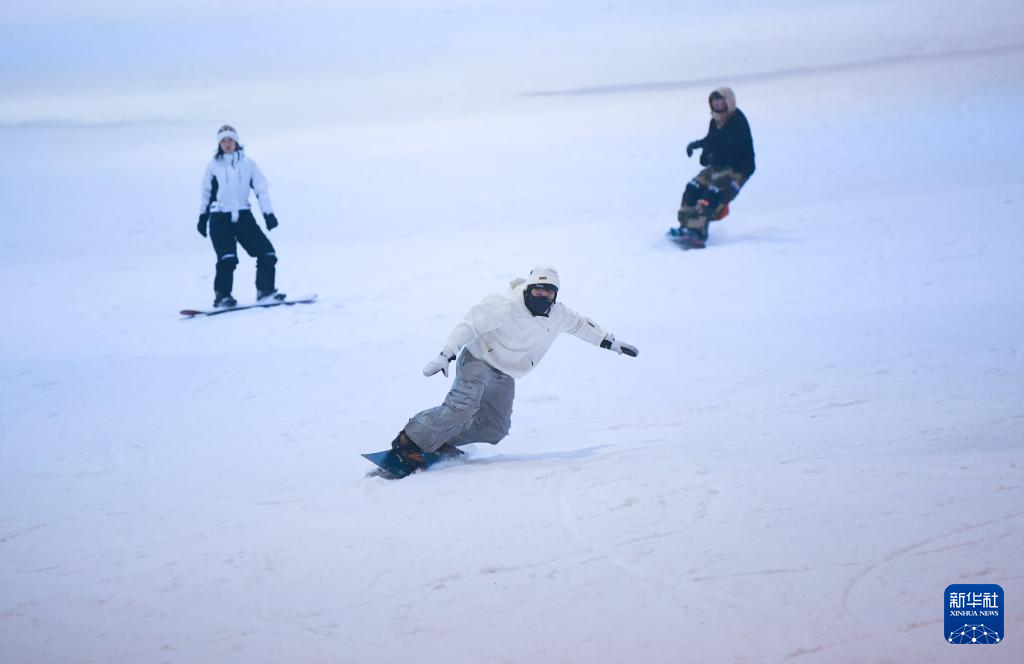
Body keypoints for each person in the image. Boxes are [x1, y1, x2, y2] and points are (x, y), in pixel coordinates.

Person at [389, 266, 639, 471]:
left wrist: (610, 342)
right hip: (479, 360)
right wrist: (447, 354)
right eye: (538, 290)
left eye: (549, 293)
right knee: (462, 408)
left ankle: (441, 440)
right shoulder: (503, 306)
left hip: (506, 373)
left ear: (555, 296)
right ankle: (409, 441)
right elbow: (468, 325)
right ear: (529, 289)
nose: (543, 296)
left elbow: (581, 325)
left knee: (495, 429)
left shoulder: (557, 314)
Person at [196, 125, 285, 308]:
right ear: (219, 144)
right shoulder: (213, 167)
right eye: (223, 141)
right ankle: (222, 297)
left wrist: (268, 214)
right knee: (227, 258)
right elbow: (206, 193)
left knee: (267, 253)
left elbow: (261, 190)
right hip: (220, 217)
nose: (227, 144)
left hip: (244, 216)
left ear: (236, 142)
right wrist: (202, 218)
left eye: (230, 140)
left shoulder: (249, 165)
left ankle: (265, 292)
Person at [671, 87, 755, 248]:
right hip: (718, 166)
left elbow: (725, 142)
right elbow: (712, 140)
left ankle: (698, 231)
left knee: (712, 193)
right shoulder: (715, 121)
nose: (717, 104)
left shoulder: (737, 120)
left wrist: (705, 148)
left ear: (728, 102)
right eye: (714, 101)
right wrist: (701, 150)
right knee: (692, 188)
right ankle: (687, 226)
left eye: (720, 100)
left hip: (737, 168)